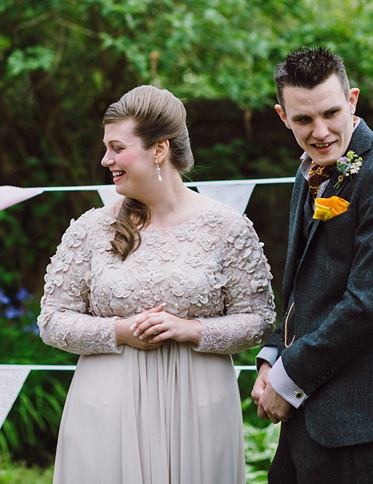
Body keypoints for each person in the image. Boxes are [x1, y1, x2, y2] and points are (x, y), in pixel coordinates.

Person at [37, 85, 276, 484]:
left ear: (159, 149)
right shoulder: (91, 228)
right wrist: (120, 332)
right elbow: (51, 321)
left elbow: (259, 319)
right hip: (106, 406)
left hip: (199, 408)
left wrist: (193, 330)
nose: (105, 159)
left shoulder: (226, 227)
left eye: (116, 148)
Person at [251, 47, 373, 483]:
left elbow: (367, 305)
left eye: (331, 113)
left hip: (353, 408)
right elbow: (302, 287)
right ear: (282, 116)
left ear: (352, 100)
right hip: (307, 398)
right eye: (303, 120)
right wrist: (271, 357)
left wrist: (287, 377)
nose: (320, 131)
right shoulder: (308, 170)